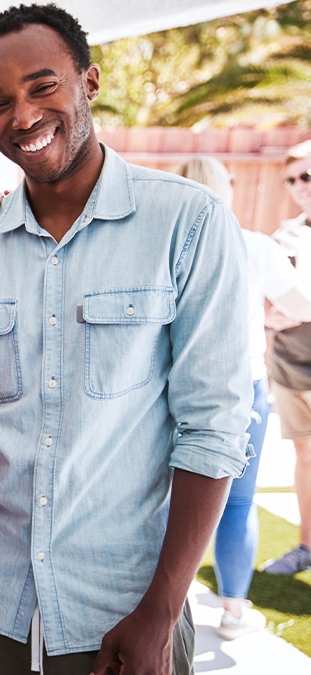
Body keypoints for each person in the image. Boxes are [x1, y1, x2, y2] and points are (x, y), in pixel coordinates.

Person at [0, 5, 252, 674]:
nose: (23, 116)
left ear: (89, 81)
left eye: (42, 86)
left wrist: (162, 608)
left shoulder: (189, 223)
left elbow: (214, 426)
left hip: (125, 602)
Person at [176, 156, 311, 638]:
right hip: (239, 387)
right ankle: (233, 610)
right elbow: (303, 305)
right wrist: (273, 314)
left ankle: (162, 606)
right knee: (238, 501)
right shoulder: (254, 245)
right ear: (225, 189)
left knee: (158, 500)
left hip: (167, 386)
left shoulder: (159, 243)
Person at [262, 139, 311, 577]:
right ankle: (306, 546)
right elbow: (267, 307)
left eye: (307, 176)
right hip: (292, 366)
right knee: (306, 457)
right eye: (292, 179)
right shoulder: (285, 237)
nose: (299, 186)